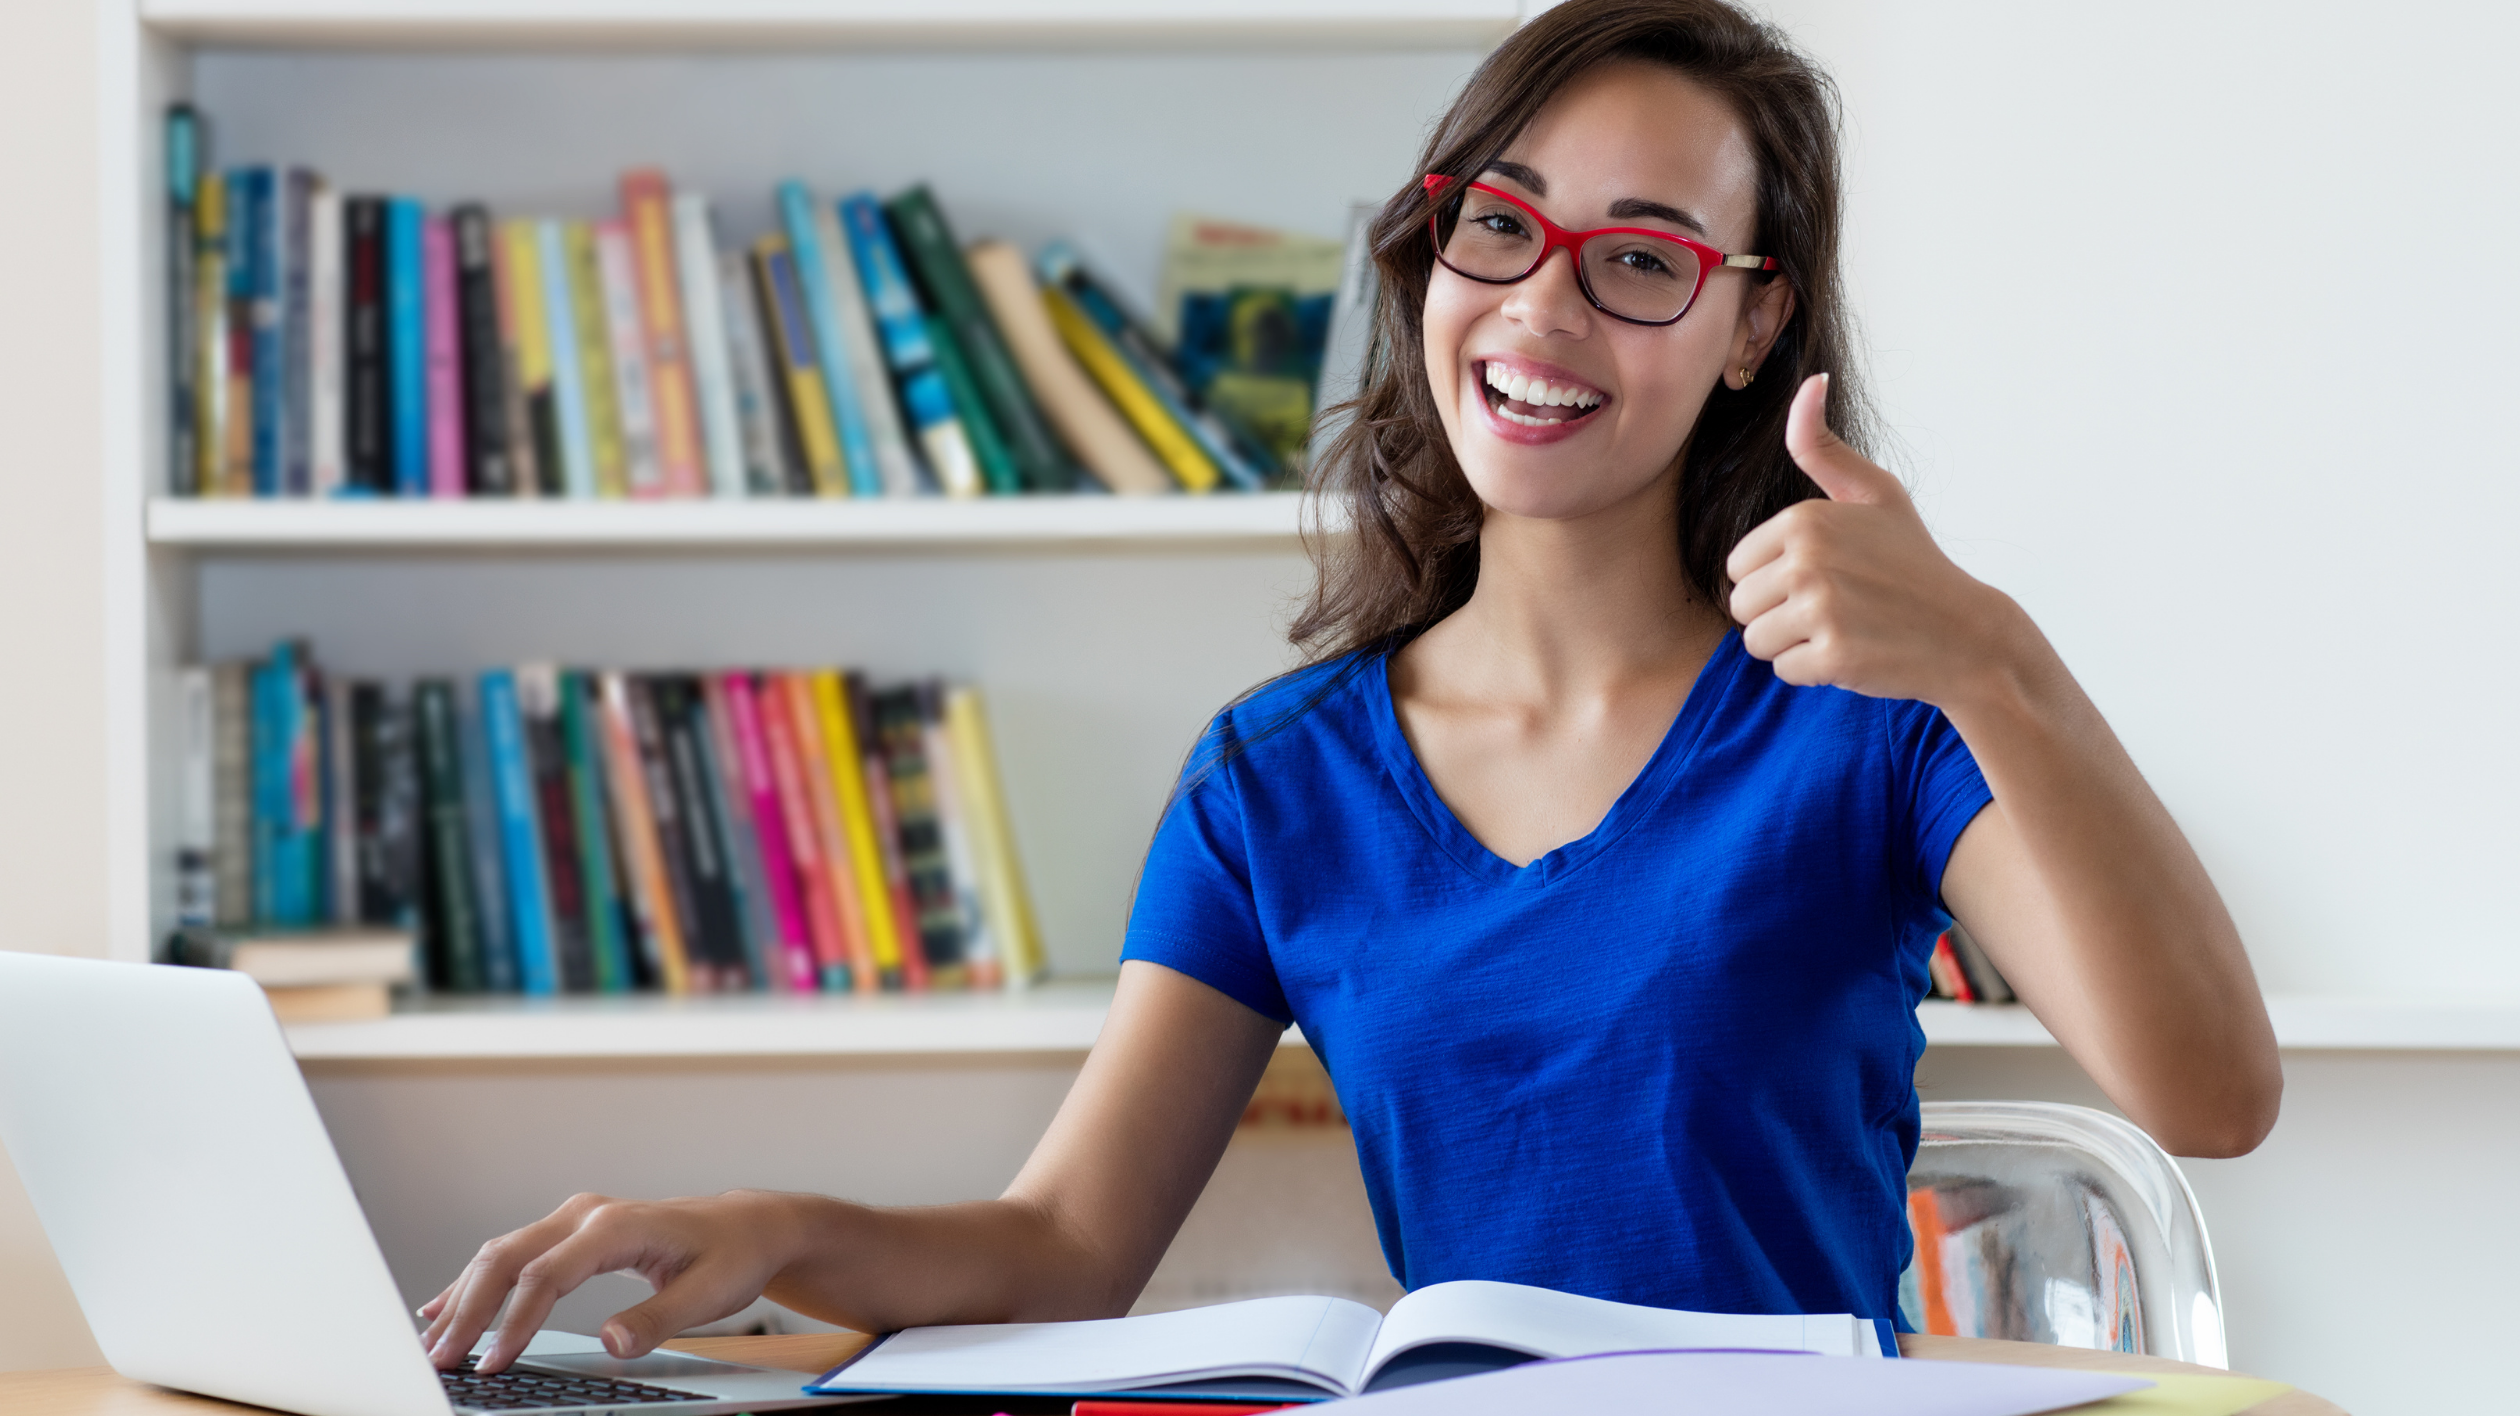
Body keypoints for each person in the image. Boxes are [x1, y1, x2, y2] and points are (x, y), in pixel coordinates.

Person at [423, 0, 2282, 1375]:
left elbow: (2212, 1097)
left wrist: (1998, 654)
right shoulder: (1275, 780)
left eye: (1640, 262)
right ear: (1432, 248)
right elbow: (1073, 1242)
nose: (1542, 313)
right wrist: (774, 1225)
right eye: (1502, 224)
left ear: (1753, 326)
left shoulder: (1873, 709)